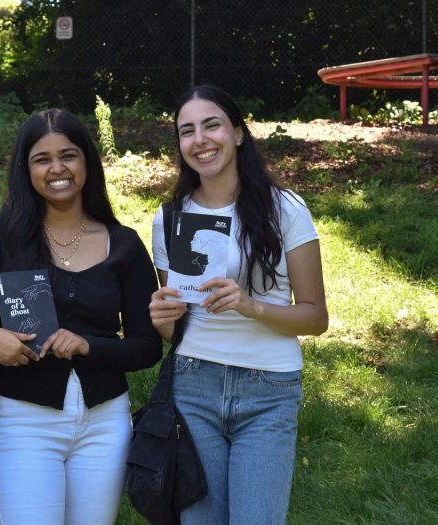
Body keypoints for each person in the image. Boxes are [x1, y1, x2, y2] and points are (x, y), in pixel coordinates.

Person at [0, 109, 162, 525]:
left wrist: (90, 346)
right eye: (42, 158)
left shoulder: (123, 244)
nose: (57, 168)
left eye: (68, 155)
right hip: (25, 420)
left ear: (86, 161)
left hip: (105, 423)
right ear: (25, 168)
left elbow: (148, 347)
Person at [148, 85, 328, 524]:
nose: (200, 140)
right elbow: (177, 328)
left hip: (270, 389)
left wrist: (253, 306)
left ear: (239, 133)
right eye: (186, 131)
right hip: (193, 384)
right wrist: (161, 319)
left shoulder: (284, 209)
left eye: (212, 125)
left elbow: (316, 317)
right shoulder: (169, 218)